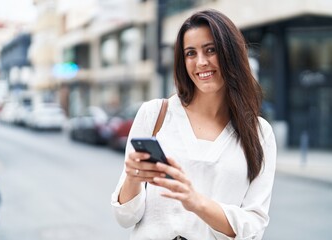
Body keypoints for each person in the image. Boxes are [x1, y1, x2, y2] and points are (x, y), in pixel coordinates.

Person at [111, 9, 277, 240]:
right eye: (191, 53)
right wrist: (133, 178)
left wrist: (196, 202)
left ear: (231, 54)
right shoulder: (155, 115)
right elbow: (125, 217)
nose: (201, 62)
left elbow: (254, 226)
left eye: (211, 50)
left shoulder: (260, 134)